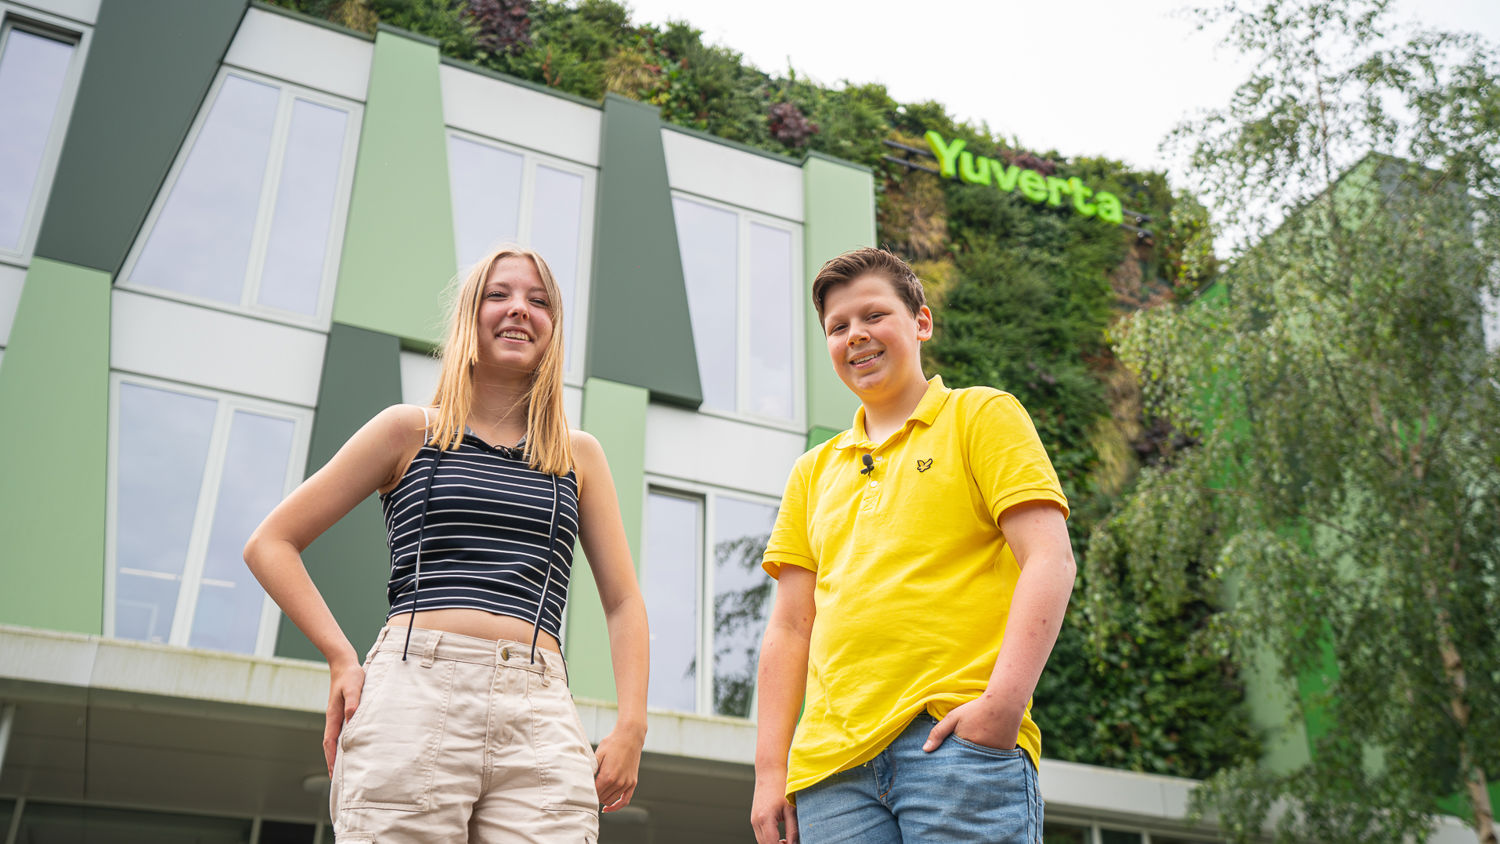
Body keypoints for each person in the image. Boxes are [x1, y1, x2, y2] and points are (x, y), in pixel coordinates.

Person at [245, 245, 648, 843]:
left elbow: (623, 601)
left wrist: (632, 726)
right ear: (469, 316)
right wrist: (340, 657)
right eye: (499, 294)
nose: (519, 309)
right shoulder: (408, 431)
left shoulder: (577, 455)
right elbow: (271, 543)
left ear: (553, 327)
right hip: (414, 690)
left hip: (539, 707)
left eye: (539, 301)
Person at [750, 247, 1076, 844]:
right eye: (838, 327)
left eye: (874, 315)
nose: (856, 335)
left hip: (954, 744)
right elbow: (790, 628)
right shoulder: (811, 472)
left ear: (921, 322)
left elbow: (1049, 558)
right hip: (830, 777)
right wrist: (771, 771)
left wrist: (1003, 705)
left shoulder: (982, 415)